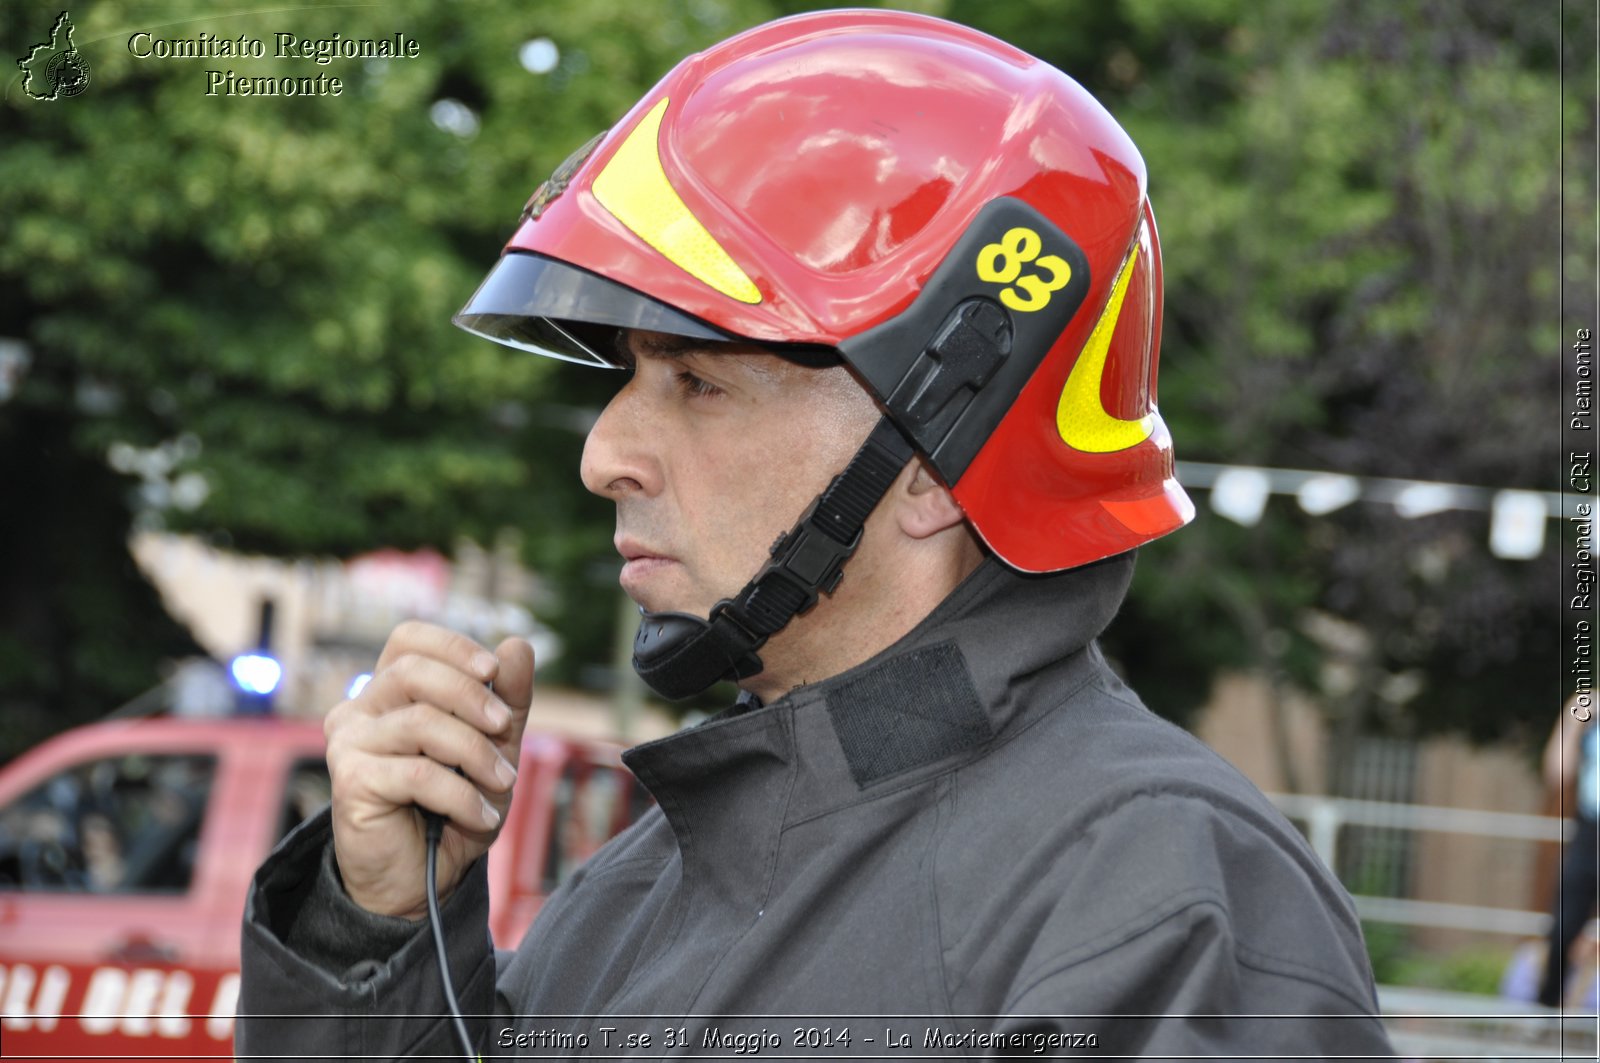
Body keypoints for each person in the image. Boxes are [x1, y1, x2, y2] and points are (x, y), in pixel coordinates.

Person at [237, 10, 1394, 1058]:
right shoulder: (644, 886)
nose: (601, 456)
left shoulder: (1154, 891)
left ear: (934, 457)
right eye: (629, 377)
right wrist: (372, 934)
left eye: (697, 382)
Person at [1537, 693, 1599, 1008]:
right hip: (1590, 833)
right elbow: (1557, 774)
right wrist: (1572, 723)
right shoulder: (1590, 709)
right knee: (1563, 927)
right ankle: (1547, 1008)